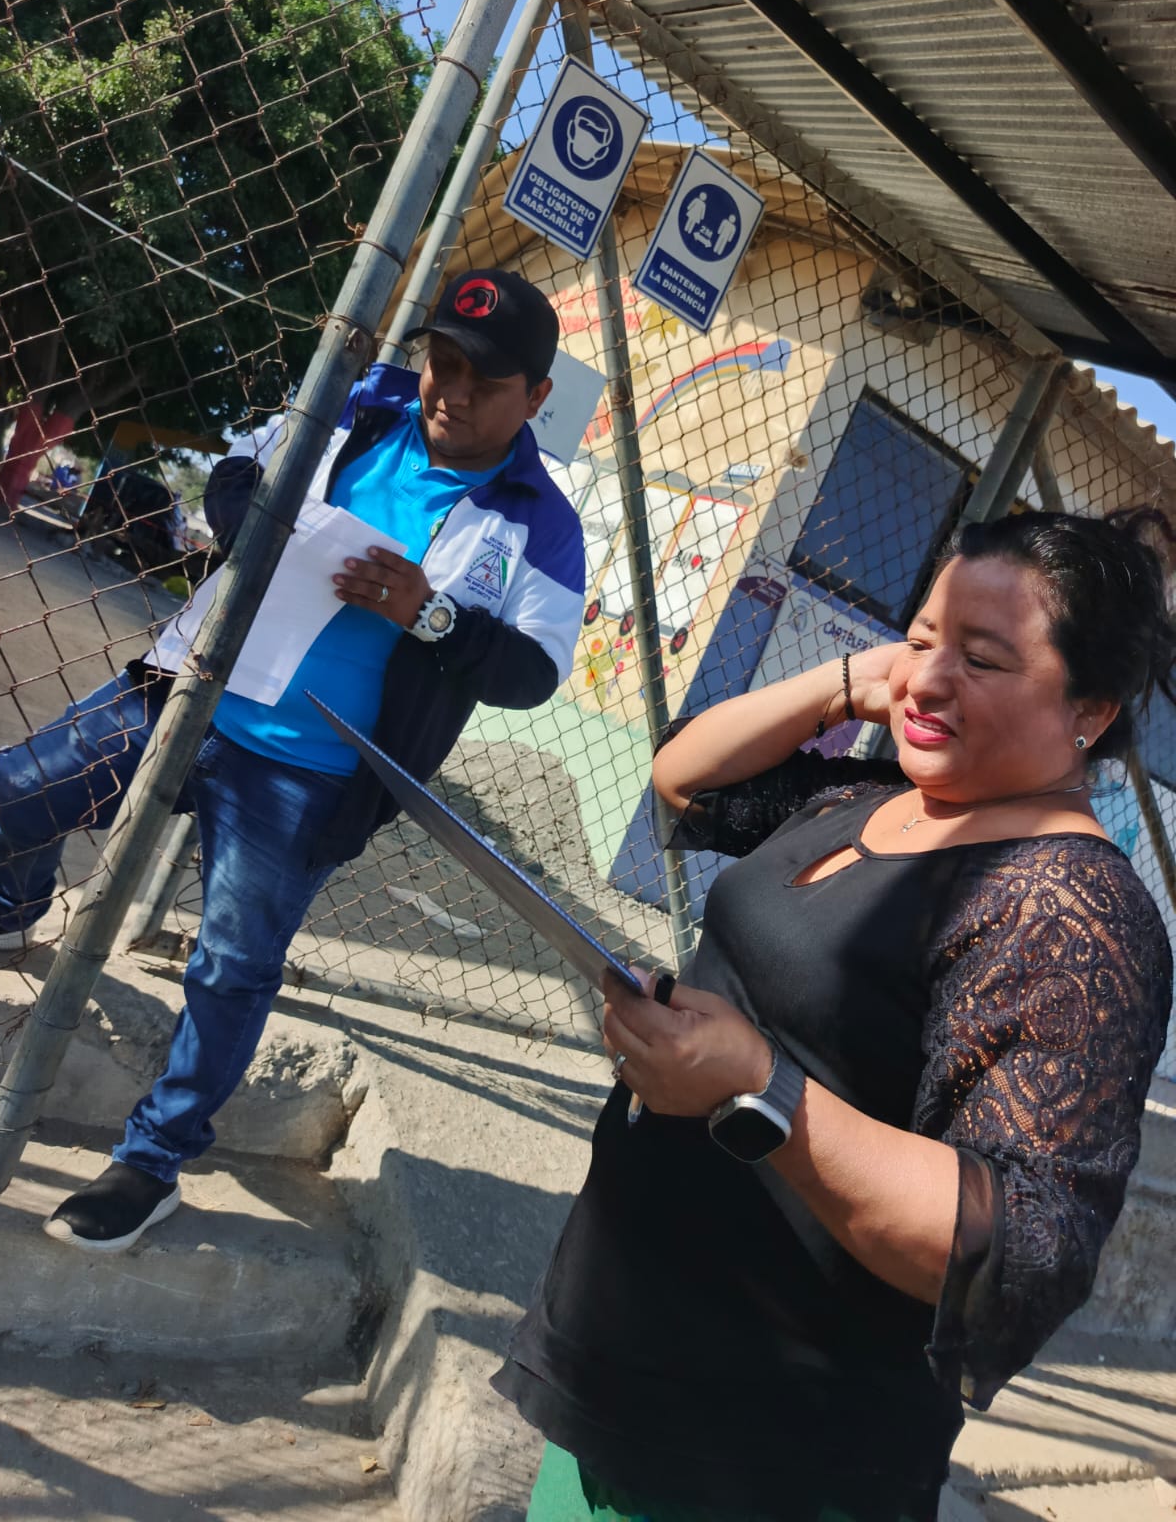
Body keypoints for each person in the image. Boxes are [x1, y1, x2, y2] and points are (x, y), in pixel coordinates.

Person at [493, 508, 1175, 1522]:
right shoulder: (875, 796)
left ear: (1090, 708)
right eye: (924, 638)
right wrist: (854, 679)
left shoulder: (1069, 909)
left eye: (983, 659)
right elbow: (684, 776)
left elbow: (1017, 1242)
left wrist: (754, 1088)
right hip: (630, 1363)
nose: (929, 681)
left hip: (762, 1453)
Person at [0, 268, 585, 1252]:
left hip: (307, 769)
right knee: (18, 788)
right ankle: (9, 899)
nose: (455, 392)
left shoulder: (540, 521)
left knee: (232, 963)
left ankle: (153, 1159)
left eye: (487, 381)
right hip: (189, 687)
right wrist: (257, 523)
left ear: (537, 397)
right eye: (444, 362)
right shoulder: (360, 409)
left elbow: (533, 671)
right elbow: (233, 476)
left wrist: (428, 614)